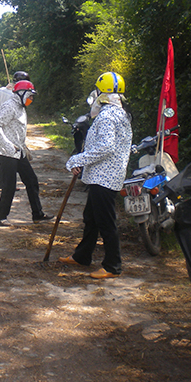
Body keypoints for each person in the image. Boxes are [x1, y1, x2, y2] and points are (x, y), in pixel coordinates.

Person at [59, 72, 132, 279]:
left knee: (105, 221)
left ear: (102, 92)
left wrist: (78, 160)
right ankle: (82, 256)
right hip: (103, 175)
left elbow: (106, 147)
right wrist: (84, 162)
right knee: (90, 218)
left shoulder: (108, 115)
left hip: (105, 178)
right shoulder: (120, 113)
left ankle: (112, 266)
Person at [0, 80, 54, 227]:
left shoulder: (21, 107)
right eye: (30, 96)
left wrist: (24, 147)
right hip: (6, 153)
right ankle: (0, 217)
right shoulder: (9, 107)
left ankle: (37, 214)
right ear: (22, 93)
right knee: (10, 186)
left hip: (18, 151)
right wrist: (7, 145)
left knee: (31, 180)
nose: (31, 100)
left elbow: (17, 130)